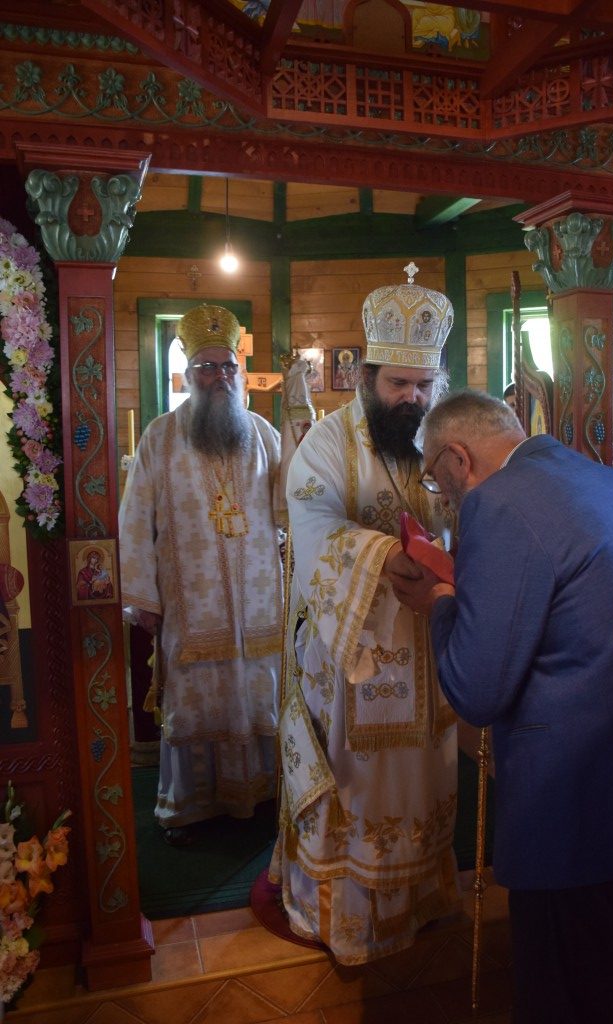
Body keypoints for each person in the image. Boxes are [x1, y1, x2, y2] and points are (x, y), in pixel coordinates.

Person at [389, 388, 613, 1024]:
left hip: (581, 824)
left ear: (458, 458)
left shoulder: (498, 501)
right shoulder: (605, 481)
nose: (443, 495)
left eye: (436, 479)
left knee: (560, 1003)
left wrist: (440, 604)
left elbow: (476, 690)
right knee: (610, 993)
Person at [269, 265, 461, 965]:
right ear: (367, 378)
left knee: (421, 776)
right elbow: (311, 526)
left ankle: (420, 901)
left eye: (424, 385)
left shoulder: (443, 440)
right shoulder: (327, 444)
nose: (413, 399)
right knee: (360, 784)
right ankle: (347, 921)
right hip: (353, 651)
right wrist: (381, 555)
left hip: (427, 637)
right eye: (398, 384)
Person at [119, 304, 285, 846]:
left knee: (258, 693)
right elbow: (133, 520)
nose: (219, 377)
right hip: (191, 606)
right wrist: (143, 597)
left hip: (259, 606)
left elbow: (290, 508)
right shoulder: (160, 437)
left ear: (240, 371)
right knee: (195, 702)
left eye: (228, 366)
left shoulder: (263, 434)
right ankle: (190, 807)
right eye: (207, 367)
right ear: (188, 374)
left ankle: (260, 794)